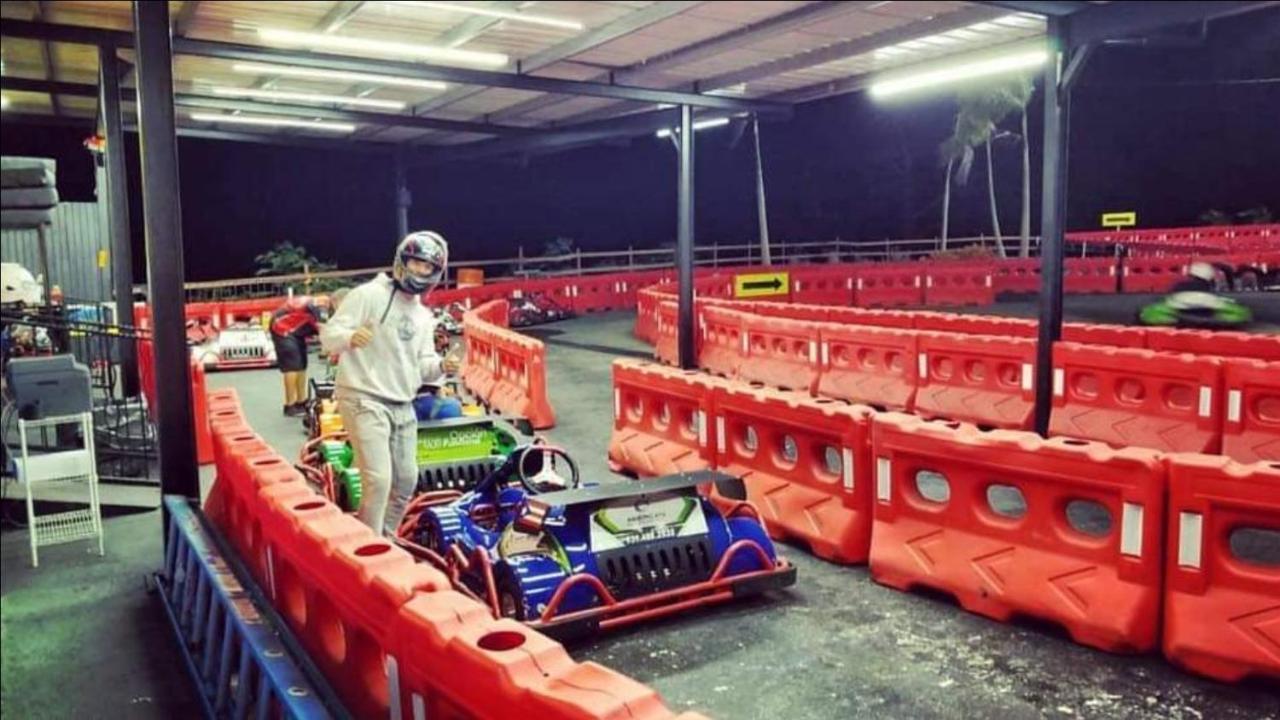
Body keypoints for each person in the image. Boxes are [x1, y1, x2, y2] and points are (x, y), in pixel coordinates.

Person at [321, 232, 460, 535]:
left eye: (428, 267)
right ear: (401, 260)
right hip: (363, 396)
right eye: (415, 262)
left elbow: (422, 365)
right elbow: (329, 335)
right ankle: (367, 553)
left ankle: (385, 539)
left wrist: (441, 366)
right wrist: (349, 338)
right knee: (379, 480)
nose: (420, 271)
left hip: (402, 402)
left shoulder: (423, 316)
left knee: (406, 481)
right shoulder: (368, 295)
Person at [269, 294, 327, 416]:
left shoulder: (318, 305)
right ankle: (290, 405)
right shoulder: (319, 307)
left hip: (296, 333)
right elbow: (324, 329)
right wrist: (328, 349)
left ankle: (301, 401)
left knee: (301, 364)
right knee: (292, 367)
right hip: (282, 329)